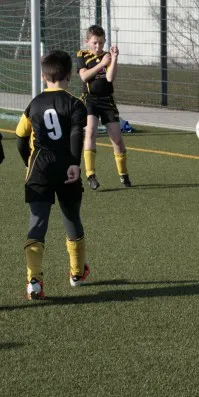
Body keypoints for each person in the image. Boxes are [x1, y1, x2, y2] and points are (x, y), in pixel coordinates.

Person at [15, 50, 90, 300]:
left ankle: (34, 282)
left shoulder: (34, 104)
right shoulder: (75, 104)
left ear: (43, 76)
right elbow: (77, 133)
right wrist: (75, 163)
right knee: (71, 217)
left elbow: (20, 137)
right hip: (67, 168)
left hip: (39, 169)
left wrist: (28, 162)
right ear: (69, 75)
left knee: (37, 223)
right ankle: (77, 273)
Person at [77, 24, 131, 190]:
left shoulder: (107, 56)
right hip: (90, 99)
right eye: (94, 42)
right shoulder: (82, 55)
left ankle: (123, 174)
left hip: (107, 101)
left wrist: (114, 59)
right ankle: (90, 175)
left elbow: (109, 78)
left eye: (101, 42)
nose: (98, 46)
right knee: (91, 131)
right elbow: (84, 76)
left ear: (105, 41)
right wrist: (101, 64)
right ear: (87, 42)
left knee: (117, 139)